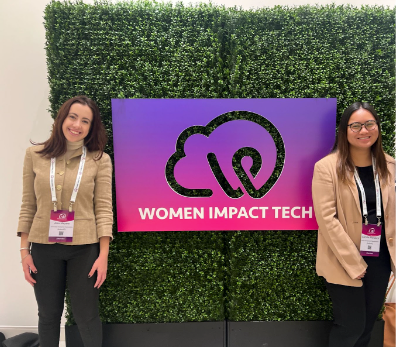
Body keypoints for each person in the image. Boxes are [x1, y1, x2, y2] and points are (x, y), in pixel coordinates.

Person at [18, 96, 113, 347]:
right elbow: (28, 205)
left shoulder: (99, 160)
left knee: (86, 316)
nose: (77, 125)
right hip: (43, 248)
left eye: (85, 121)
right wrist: (24, 252)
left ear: (91, 128)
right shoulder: (34, 155)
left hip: (85, 249)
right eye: (73, 117)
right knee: (48, 315)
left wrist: (103, 255)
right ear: (62, 118)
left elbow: (103, 209)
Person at [312, 102, 395, 347]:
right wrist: (353, 261)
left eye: (369, 124)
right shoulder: (327, 167)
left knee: (369, 324)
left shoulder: (389, 166)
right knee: (350, 327)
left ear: (377, 128)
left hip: (380, 257)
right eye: (355, 125)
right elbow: (326, 218)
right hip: (343, 259)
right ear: (344, 131)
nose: (364, 130)